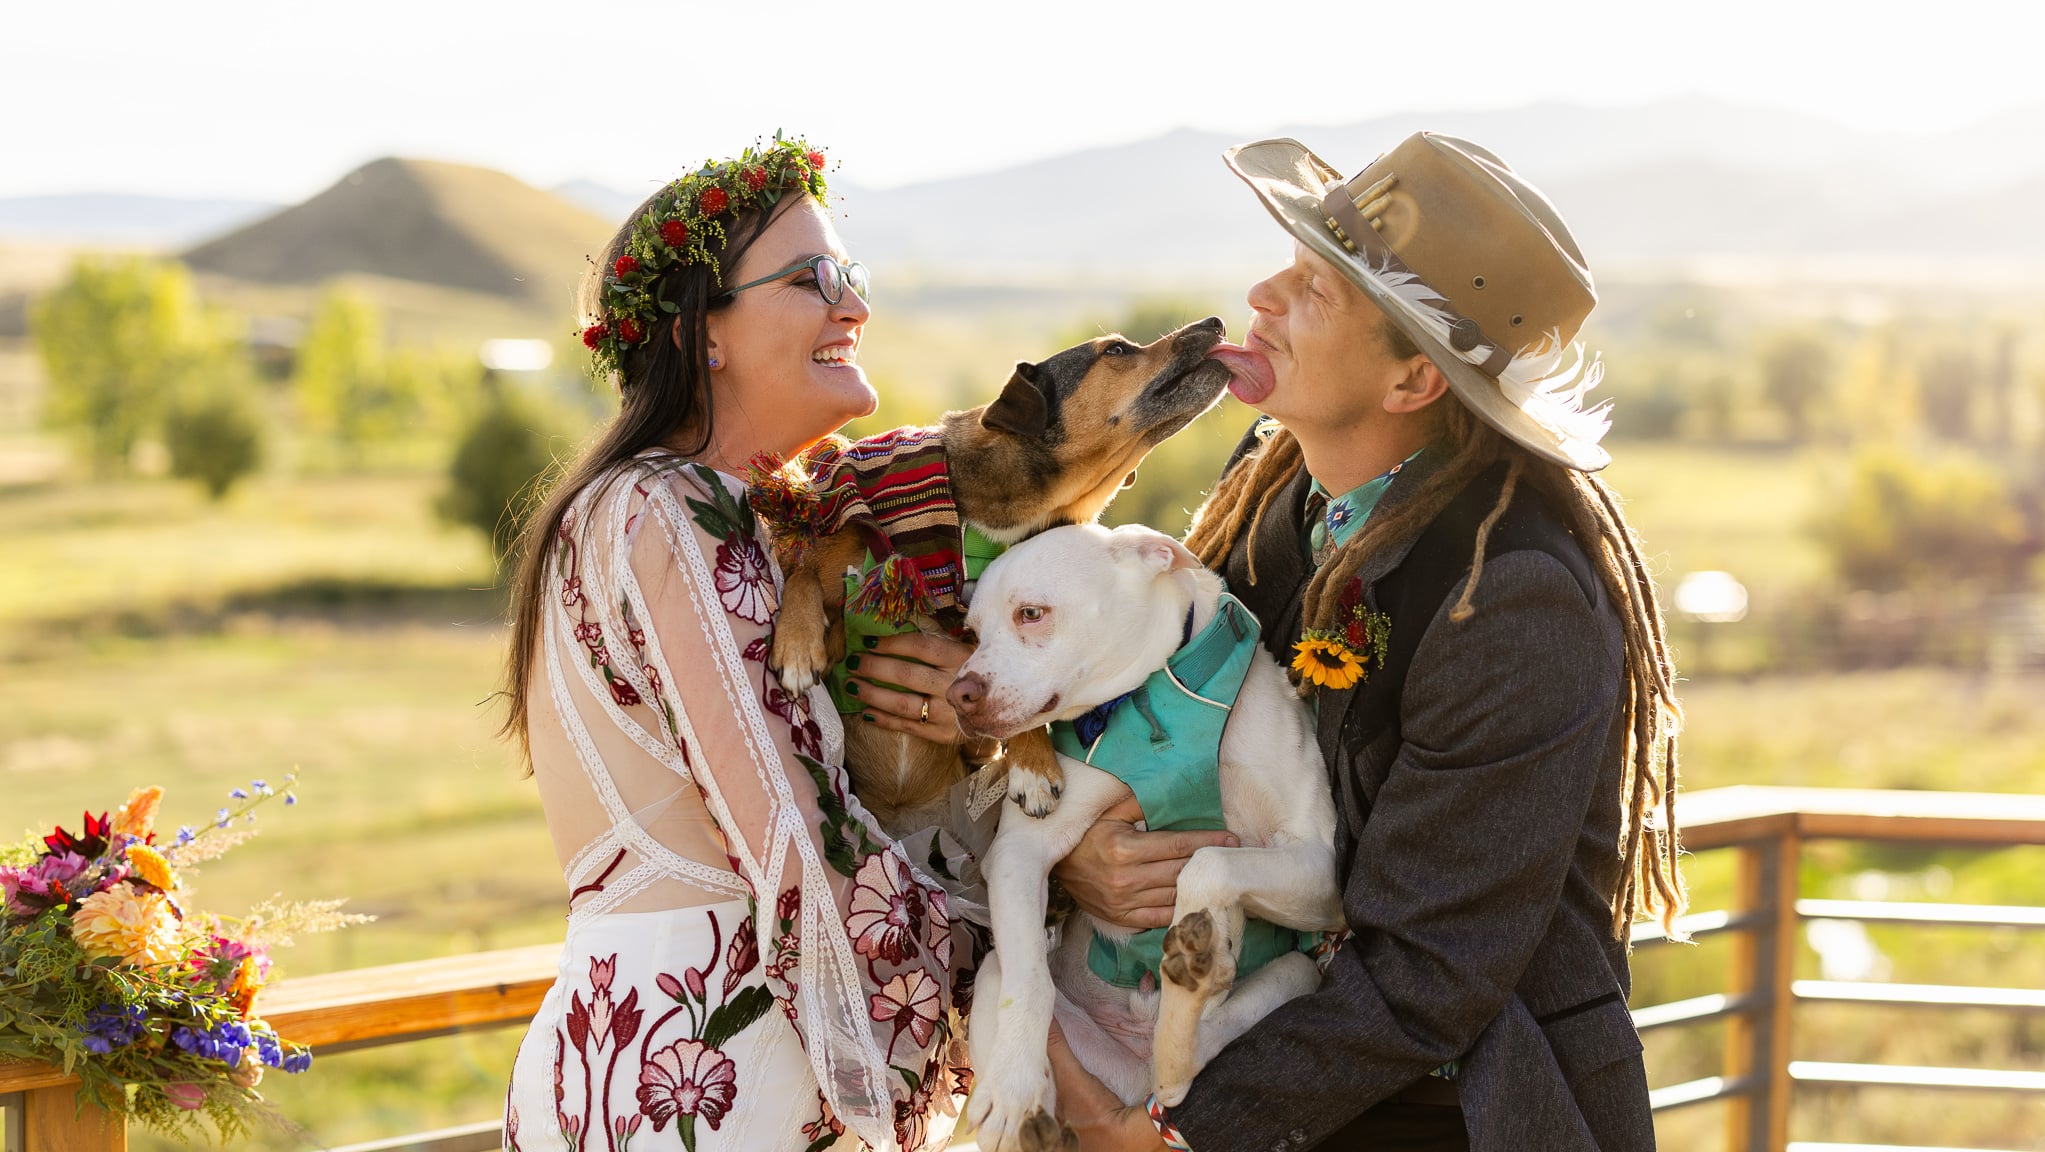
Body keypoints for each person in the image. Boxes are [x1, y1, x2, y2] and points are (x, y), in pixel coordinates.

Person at [1047, 133, 1688, 1151]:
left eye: (1313, 287)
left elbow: (1431, 968)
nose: (1259, 293)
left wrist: (1178, 1134)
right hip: (1265, 1057)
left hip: (1455, 1113)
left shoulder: (1513, 598)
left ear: (1409, 385)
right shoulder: (1273, 499)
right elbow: (1156, 734)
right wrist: (1077, 859)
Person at [497, 136, 974, 1152]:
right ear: (700, 332)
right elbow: (800, 844)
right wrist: (1024, 951)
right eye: (813, 280)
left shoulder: (668, 513)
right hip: (715, 1076)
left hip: (629, 1051)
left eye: (853, 276)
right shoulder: (670, 514)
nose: (854, 306)